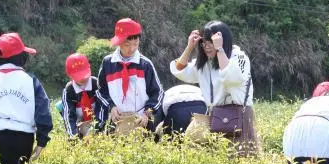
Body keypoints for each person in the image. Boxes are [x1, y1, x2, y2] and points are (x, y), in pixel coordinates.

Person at [170, 20, 259, 156]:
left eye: (211, 42)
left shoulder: (239, 57)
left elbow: (231, 78)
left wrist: (220, 50)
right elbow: (179, 70)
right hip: (216, 115)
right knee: (217, 161)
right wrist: (189, 47)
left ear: (223, 41)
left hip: (239, 115)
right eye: (204, 44)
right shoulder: (205, 64)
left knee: (243, 159)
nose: (207, 47)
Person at [0, 33, 53, 164]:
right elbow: (43, 111)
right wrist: (41, 140)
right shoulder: (31, 81)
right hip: (22, 140)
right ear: (21, 57)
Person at [96, 18, 164, 133]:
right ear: (119, 42)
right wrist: (111, 107)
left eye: (135, 44)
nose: (132, 49)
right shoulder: (108, 63)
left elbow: (158, 93)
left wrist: (147, 113)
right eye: (127, 44)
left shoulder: (145, 64)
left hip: (142, 121)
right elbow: (101, 91)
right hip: (117, 121)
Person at [61, 53, 106, 139]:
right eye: (78, 76)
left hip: (98, 123)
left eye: (84, 74)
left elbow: (103, 108)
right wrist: (74, 137)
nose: (82, 78)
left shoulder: (96, 84)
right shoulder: (68, 91)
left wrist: (98, 129)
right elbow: (68, 116)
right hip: (79, 126)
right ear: (70, 75)